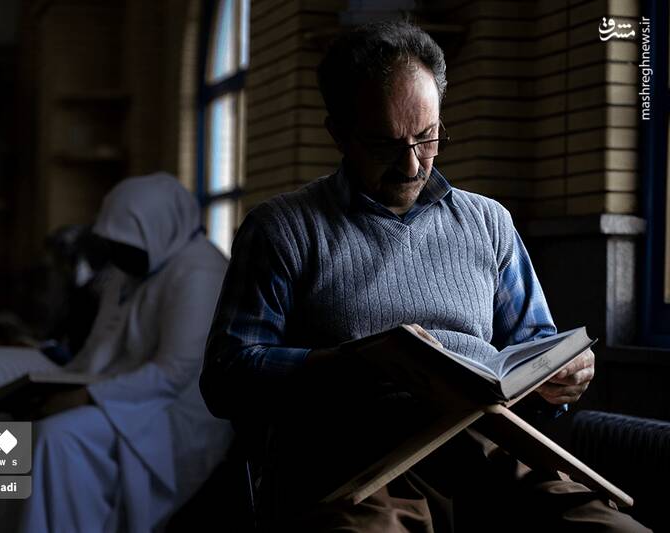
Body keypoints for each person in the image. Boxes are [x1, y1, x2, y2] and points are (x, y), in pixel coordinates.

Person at [200, 22, 648, 532]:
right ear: (339, 134)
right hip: (355, 462)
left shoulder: (489, 222)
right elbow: (227, 377)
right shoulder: (282, 228)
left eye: (427, 137)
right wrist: (351, 364)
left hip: (491, 450)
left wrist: (560, 379)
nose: (412, 165)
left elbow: (534, 351)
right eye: (385, 144)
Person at [0, 173, 233, 533]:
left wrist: (84, 396)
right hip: (119, 399)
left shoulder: (201, 271)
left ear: (157, 229)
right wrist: (48, 386)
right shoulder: (132, 269)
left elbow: (172, 373)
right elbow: (94, 352)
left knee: (56, 438)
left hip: (167, 412)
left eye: (126, 244)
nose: (117, 255)